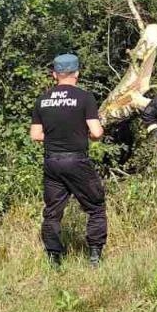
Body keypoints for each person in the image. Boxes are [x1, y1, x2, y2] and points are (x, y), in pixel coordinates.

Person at [30, 53, 106, 267]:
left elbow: (35, 135)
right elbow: (97, 133)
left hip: (52, 162)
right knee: (96, 207)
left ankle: (54, 259)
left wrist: (56, 136)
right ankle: (94, 256)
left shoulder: (42, 99)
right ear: (77, 74)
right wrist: (83, 134)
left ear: (55, 74)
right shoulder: (85, 97)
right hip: (77, 161)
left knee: (52, 212)